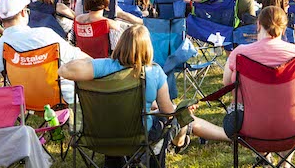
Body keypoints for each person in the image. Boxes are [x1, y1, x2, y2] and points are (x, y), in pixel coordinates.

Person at [59, 25, 228, 163]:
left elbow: (63, 70)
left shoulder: (103, 67)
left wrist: (87, 60)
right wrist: (180, 109)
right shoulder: (154, 72)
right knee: (178, 115)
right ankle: (172, 145)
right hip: (140, 135)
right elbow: (168, 112)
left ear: (120, 44)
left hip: (99, 135)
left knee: (158, 112)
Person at [219, 5, 295, 154]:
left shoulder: (239, 54)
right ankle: (285, 161)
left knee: (251, 110)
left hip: (249, 129)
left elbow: (227, 83)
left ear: (258, 25)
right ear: (284, 29)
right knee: (293, 110)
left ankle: (264, 157)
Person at [0, 0, 90, 105]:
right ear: (24, 12)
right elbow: (77, 57)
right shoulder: (45, 35)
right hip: (59, 97)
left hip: (24, 100)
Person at [75, 0, 142, 48]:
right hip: (102, 59)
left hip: (81, 59)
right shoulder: (111, 24)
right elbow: (116, 50)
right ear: (106, 2)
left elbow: (73, 41)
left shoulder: (77, 20)